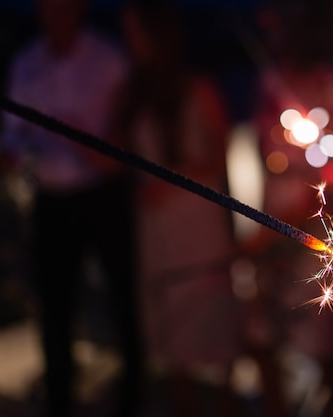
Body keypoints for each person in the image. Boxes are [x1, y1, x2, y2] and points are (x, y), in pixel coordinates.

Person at [0, 0, 142, 416]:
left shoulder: (108, 57)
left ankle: (132, 393)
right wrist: (10, 154)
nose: (57, 11)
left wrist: (91, 140)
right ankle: (60, 398)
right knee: (55, 302)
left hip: (104, 193)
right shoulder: (27, 64)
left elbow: (126, 130)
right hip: (52, 198)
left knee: (122, 295)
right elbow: (12, 137)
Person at [115, 1, 242, 415]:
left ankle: (225, 404)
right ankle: (183, 404)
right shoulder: (131, 92)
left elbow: (221, 155)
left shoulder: (198, 89)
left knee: (210, 312)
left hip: (196, 218)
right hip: (156, 224)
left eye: (136, 32)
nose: (131, 42)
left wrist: (172, 178)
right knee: (168, 319)